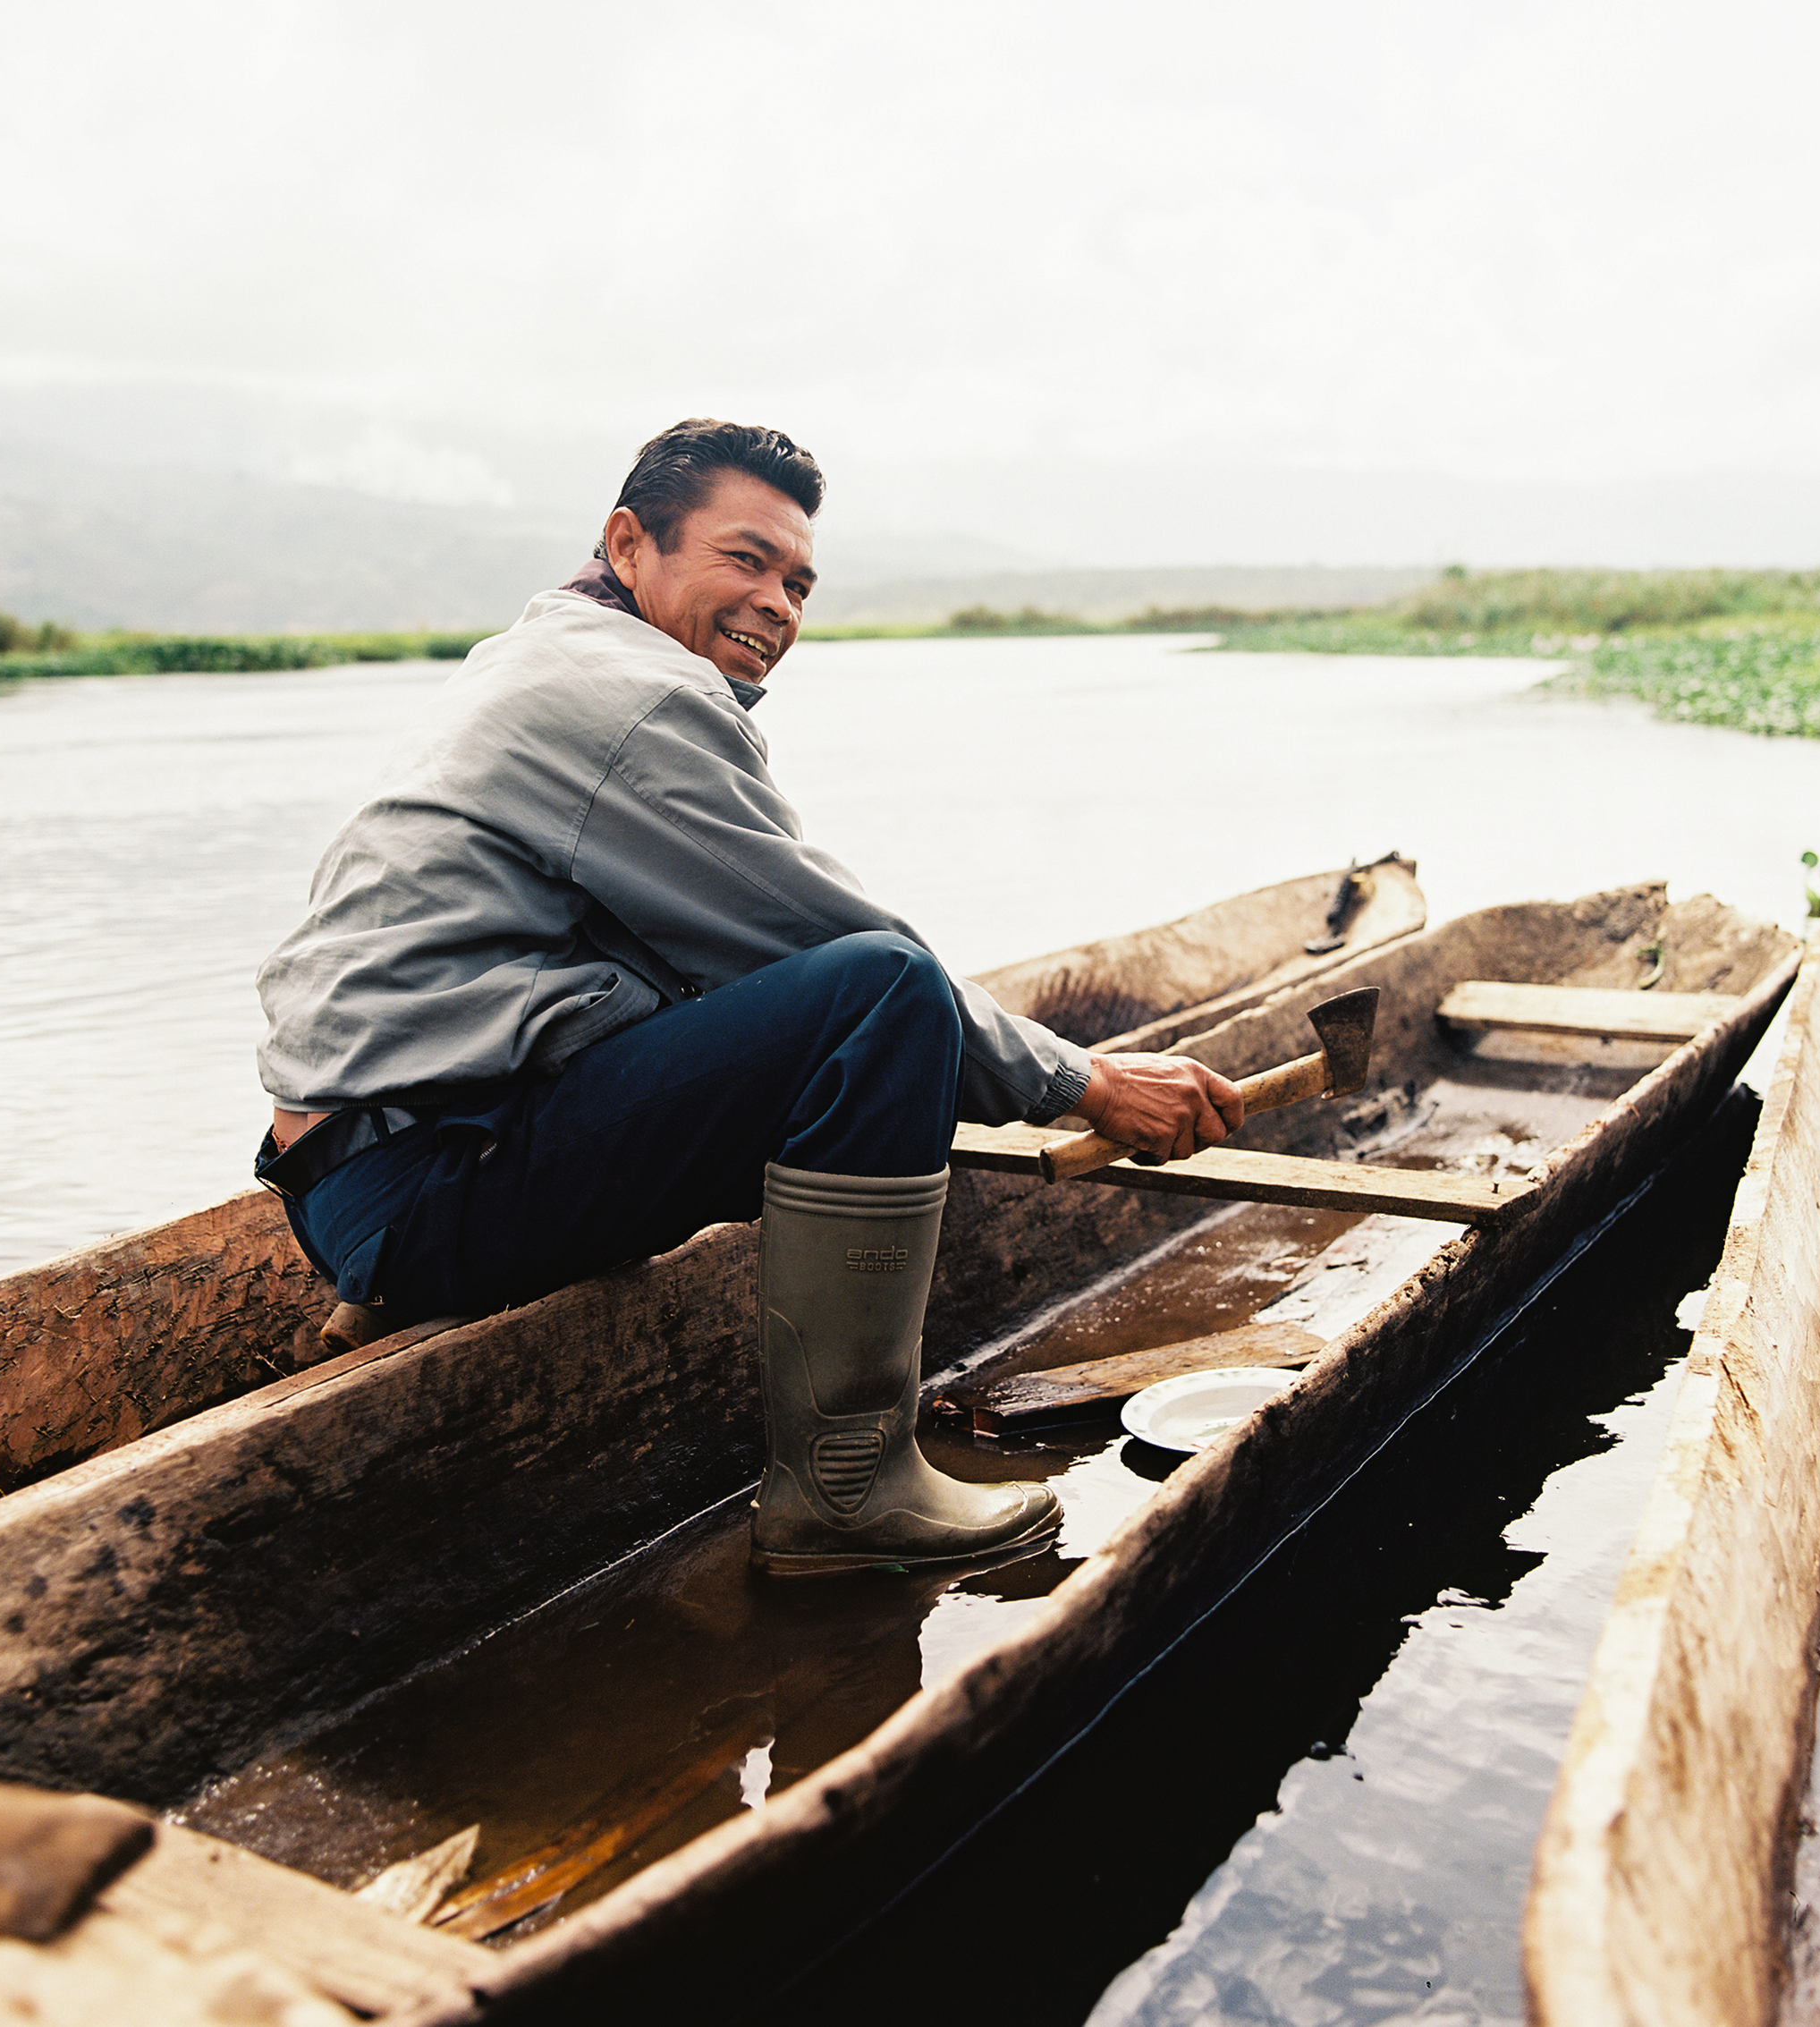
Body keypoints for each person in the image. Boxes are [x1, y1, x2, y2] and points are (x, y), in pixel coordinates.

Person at [253, 419, 1244, 1576]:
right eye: (744, 559)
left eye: (798, 581)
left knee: (855, 1041)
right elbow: (850, 955)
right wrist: (1085, 1080)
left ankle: (387, 1293)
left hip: (360, 1163)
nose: (777, 601)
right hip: (420, 1186)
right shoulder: (630, 702)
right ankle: (846, 1489)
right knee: (883, 1006)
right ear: (629, 544)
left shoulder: (556, 650)